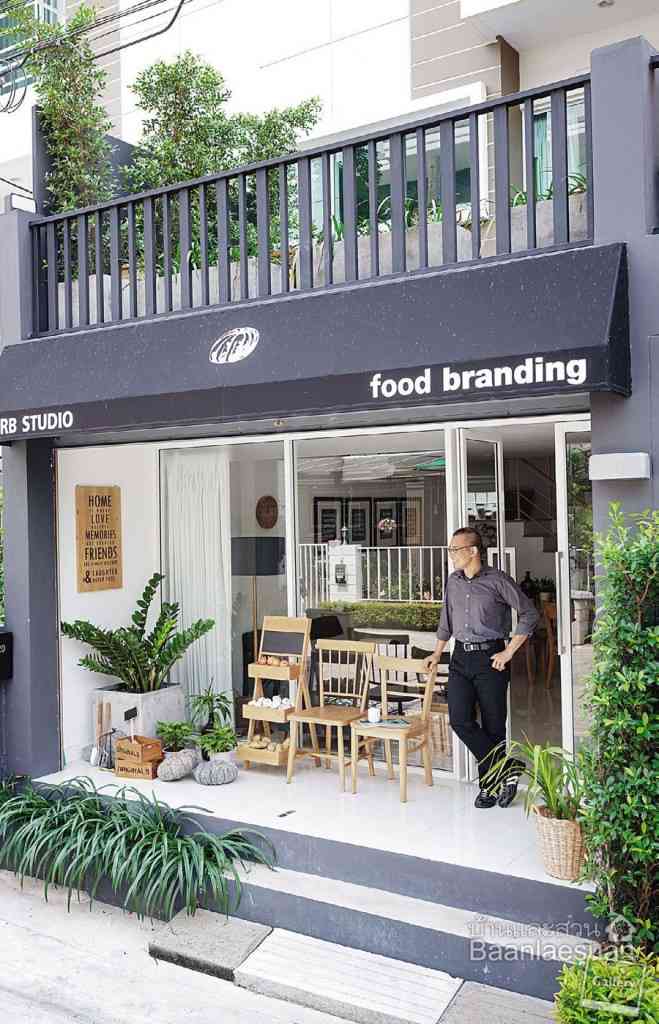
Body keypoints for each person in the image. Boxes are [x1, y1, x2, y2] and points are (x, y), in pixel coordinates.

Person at [425, 527, 539, 809]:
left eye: (455, 549)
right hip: (460, 658)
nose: (451, 555)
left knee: (493, 725)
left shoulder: (498, 580)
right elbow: (446, 621)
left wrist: (509, 651)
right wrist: (437, 653)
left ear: (473, 551)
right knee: (459, 720)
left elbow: (529, 613)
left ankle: (489, 787)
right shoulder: (453, 581)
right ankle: (508, 768)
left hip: (491, 659)